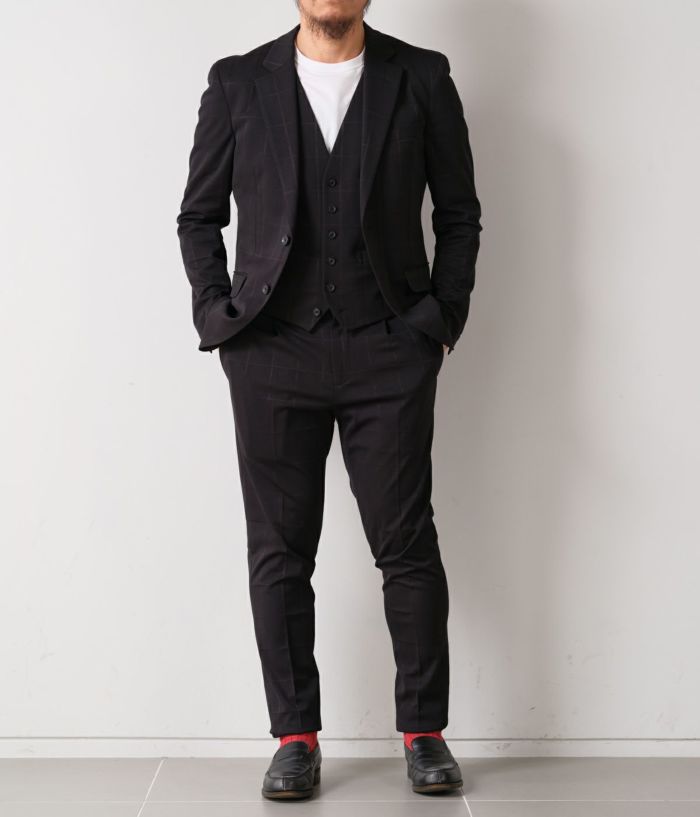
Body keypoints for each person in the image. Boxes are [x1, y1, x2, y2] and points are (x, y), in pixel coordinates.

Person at [177, 0, 482, 801]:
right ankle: (295, 737)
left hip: (390, 347)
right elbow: (199, 217)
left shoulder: (422, 78)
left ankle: (424, 730)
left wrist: (439, 323)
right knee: (279, 550)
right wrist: (221, 318)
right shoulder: (238, 83)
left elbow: (459, 214)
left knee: (406, 543)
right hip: (272, 350)